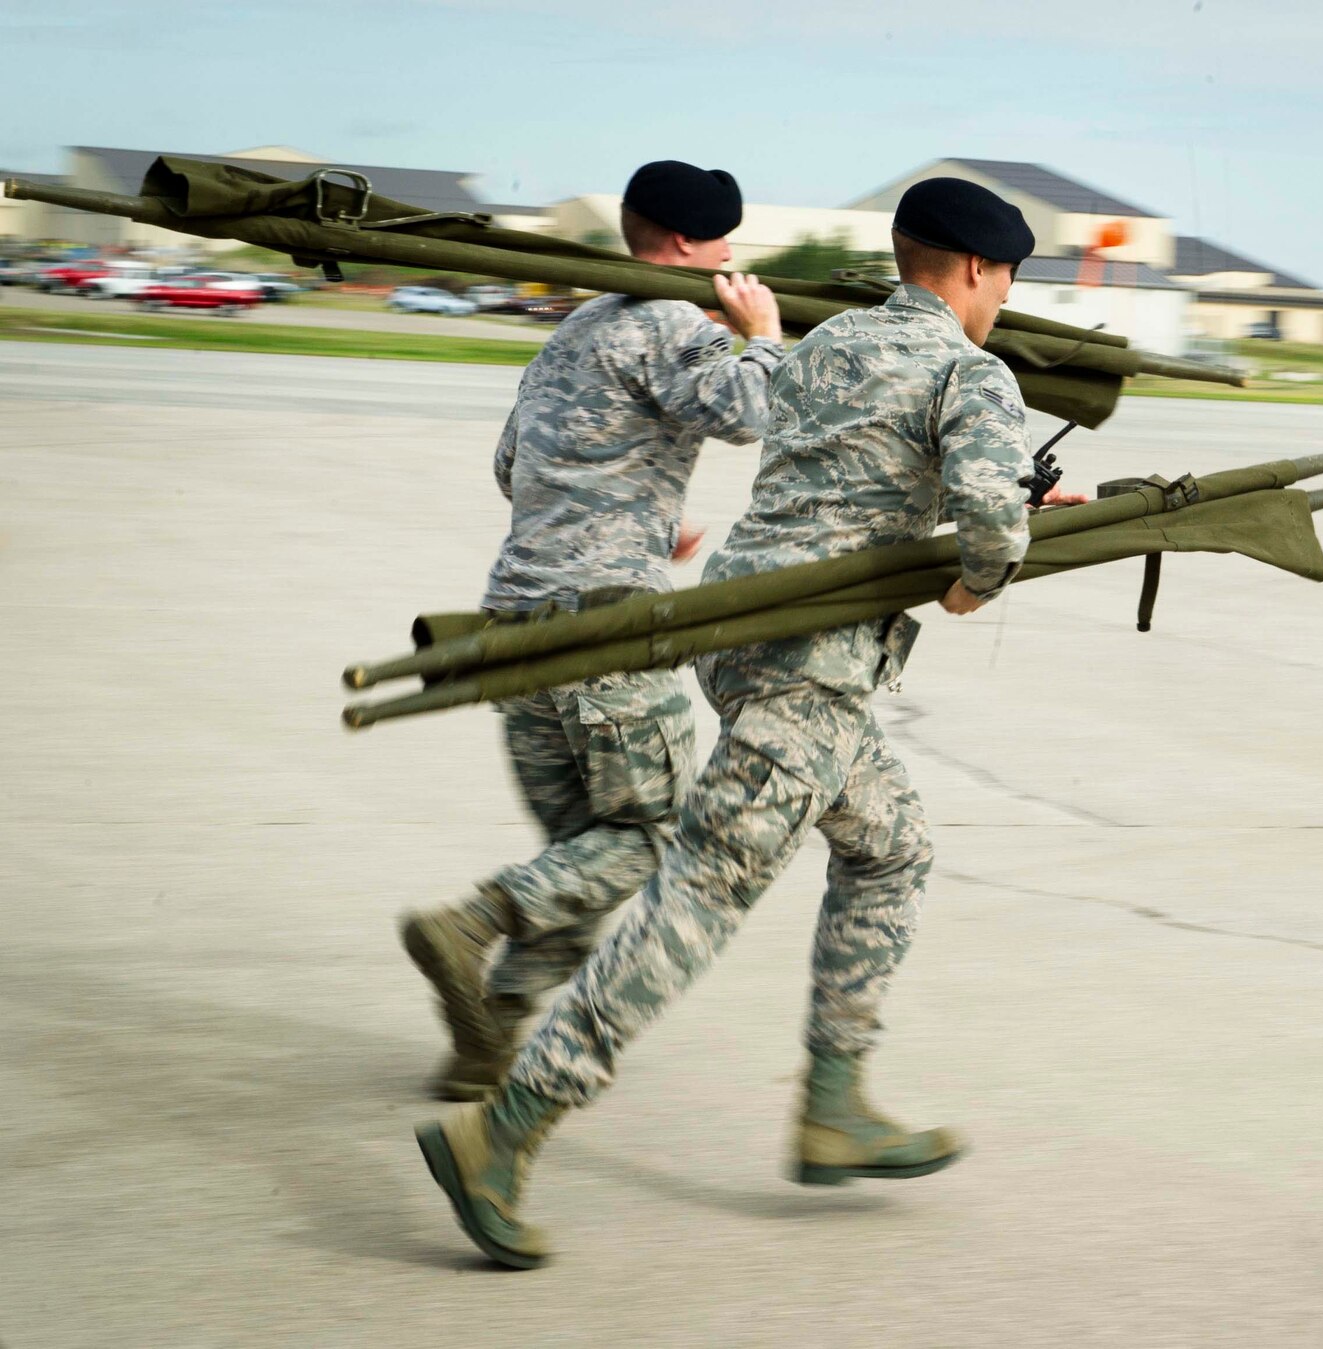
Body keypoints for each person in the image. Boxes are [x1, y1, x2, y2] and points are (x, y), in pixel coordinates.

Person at [415, 177, 1085, 1269]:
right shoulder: (972, 370)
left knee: (892, 849)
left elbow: (857, 473)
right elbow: (983, 536)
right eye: (1005, 279)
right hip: (807, 676)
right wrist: (982, 567)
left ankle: (834, 1099)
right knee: (695, 899)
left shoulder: (826, 346)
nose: (1003, 300)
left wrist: (1007, 497)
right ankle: (503, 1128)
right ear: (973, 270)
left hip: (750, 641)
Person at [399, 160, 783, 1102]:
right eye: (724, 238)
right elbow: (757, 411)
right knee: (651, 838)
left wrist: (641, 515)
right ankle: (476, 919)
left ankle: (487, 1036)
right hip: (606, 627)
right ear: (690, 244)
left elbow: (511, 464)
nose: (732, 254)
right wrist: (763, 335)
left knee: (584, 847)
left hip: (515, 622)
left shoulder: (574, 326)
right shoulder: (674, 322)